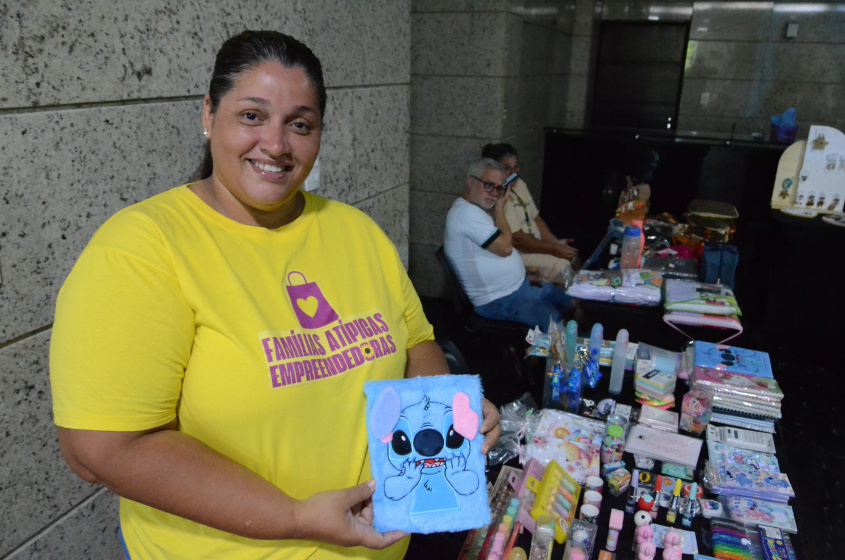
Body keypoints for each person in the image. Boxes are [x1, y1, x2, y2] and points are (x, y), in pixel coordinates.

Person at [49, 30, 500, 560]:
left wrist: (444, 418)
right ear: (208, 113)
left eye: (300, 125)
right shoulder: (143, 249)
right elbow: (101, 450)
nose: (277, 144)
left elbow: (417, 343)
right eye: (251, 116)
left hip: (379, 545)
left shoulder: (357, 233)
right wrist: (294, 517)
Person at [443, 158, 572, 329]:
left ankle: (573, 347)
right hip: (497, 299)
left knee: (568, 302)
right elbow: (504, 248)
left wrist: (522, 273)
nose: (494, 193)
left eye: (499, 188)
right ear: (470, 182)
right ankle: (563, 353)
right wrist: (499, 210)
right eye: (489, 185)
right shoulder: (465, 214)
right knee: (553, 321)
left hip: (517, 287)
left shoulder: (475, 209)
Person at [481, 143, 579, 285]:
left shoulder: (519, 185)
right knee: (562, 266)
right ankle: (566, 304)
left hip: (534, 248)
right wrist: (553, 249)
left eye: (516, 167)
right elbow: (518, 240)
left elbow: (536, 219)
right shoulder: (496, 194)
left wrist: (556, 244)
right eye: (507, 168)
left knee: (572, 256)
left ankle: (580, 301)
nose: (513, 173)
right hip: (515, 254)